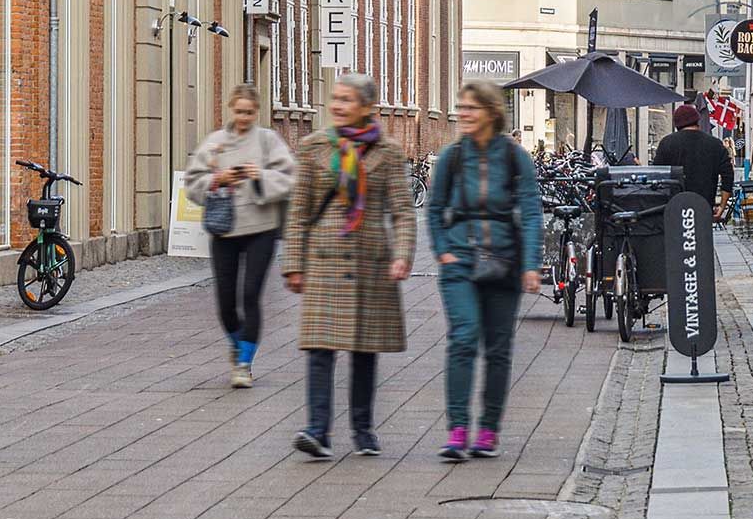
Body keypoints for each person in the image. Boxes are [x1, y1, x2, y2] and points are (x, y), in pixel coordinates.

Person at [284, 74, 414, 458]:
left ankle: (363, 428)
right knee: (320, 348)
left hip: (371, 261)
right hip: (323, 259)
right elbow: (298, 212)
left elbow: (403, 211)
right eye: (334, 99)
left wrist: (403, 254)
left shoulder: (388, 153)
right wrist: (293, 264)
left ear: (367, 108)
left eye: (346, 100)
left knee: (364, 348)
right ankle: (317, 430)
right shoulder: (312, 148)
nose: (337, 106)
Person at [428, 80, 543, 461]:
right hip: (459, 260)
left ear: (491, 112)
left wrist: (530, 265)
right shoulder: (452, 156)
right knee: (464, 336)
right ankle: (458, 429)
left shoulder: (514, 157)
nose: (462, 113)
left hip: (504, 262)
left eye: (470, 108)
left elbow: (530, 211)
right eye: (460, 106)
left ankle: (489, 428)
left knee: (497, 348)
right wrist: (443, 250)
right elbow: (434, 208)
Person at [185, 84, 297, 389]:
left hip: (262, 226)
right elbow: (192, 181)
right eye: (239, 111)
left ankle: (245, 364)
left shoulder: (268, 141)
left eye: (249, 112)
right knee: (224, 301)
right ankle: (237, 343)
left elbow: (290, 177)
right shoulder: (215, 142)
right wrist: (218, 178)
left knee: (250, 294)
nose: (244, 117)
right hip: (225, 228)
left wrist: (259, 175)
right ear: (231, 110)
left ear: (256, 112)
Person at [654, 102, 736, 222]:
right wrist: (722, 206)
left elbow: (657, 175)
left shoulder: (667, 143)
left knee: (676, 239)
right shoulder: (714, 144)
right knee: (702, 239)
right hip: (704, 206)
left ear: (677, 124)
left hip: (674, 207)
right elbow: (728, 175)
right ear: (697, 120)